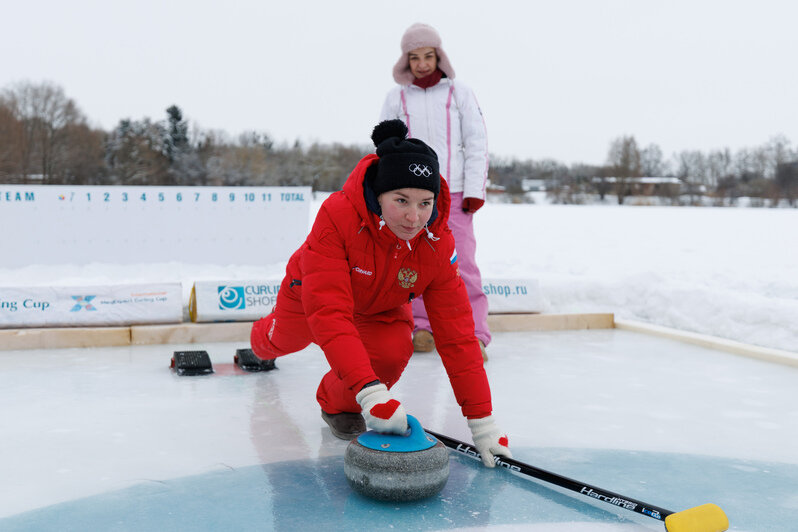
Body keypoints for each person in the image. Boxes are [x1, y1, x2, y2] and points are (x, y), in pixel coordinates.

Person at [249, 119, 511, 467]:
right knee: (279, 341)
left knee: (390, 355)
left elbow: (457, 335)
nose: (414, 217)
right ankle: (258, 340)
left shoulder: (437, 242)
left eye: (425, 202)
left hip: (381, 307)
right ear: (379, 194)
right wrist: (371, 393)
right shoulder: (338, 216)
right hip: (310, 297)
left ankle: (337, 404)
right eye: (401, 200)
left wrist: (483, 422)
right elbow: (329, 313)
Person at [380, 23, 491, 361]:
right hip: (413, 196)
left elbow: (476, 142)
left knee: (463, 263)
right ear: (406, 61)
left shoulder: (460, 93)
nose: (423, 64)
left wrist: (474, 190)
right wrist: (386, 195)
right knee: (412, 261)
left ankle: (474, 334)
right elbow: (383, 148)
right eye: (415, 58)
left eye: (428, 56)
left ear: (439, 56)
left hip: (454, 194)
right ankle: (421, 327)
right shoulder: (396, 97)